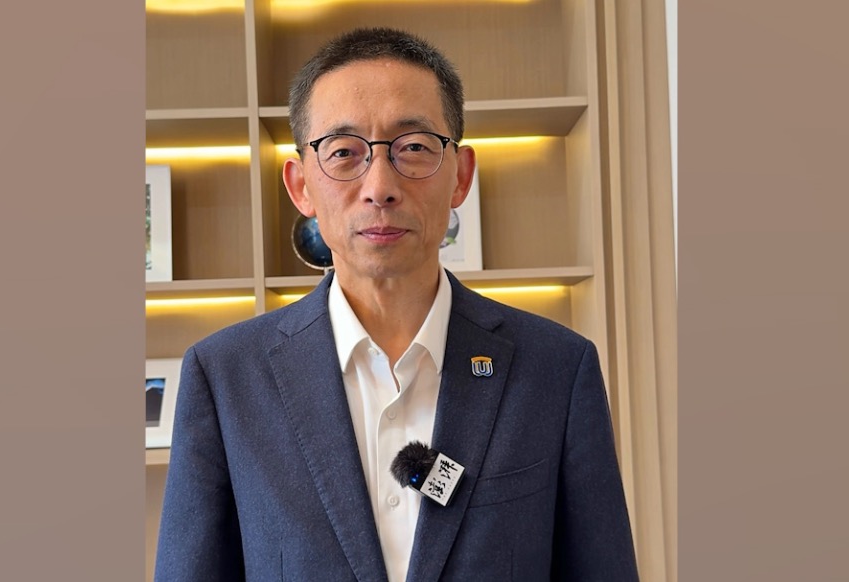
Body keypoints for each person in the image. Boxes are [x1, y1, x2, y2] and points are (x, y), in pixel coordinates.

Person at [155, 27, 639, 581]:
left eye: (413, 147)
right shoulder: (225, 378)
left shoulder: (556, 368)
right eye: (343, 152)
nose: (380, 186)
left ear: (461, 176)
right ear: (300, 185)